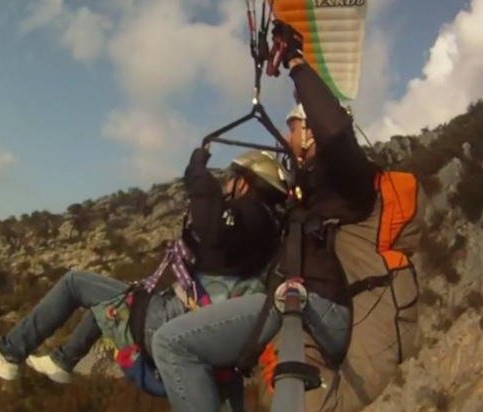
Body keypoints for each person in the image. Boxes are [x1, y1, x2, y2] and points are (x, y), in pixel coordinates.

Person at [148, 22, 423, 412]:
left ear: (310, 133)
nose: (288, 137)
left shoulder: (349, 184)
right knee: (213, 358)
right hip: (301, 302)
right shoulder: (313, 189)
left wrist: (295, 61)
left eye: (294, 129)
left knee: (172, 343)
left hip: (317, 305)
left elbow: (336, 133)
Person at [0, 145, 290, 410]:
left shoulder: (252, 215)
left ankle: (9, 353)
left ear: (245, 182)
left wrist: (197, 171)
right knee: (115, 299)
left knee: (76, 283)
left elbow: (210, 224)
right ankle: (64, 360)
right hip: (205, 327)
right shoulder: (269, 228)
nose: (228, 186)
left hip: (175, 321)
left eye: (232, 180)